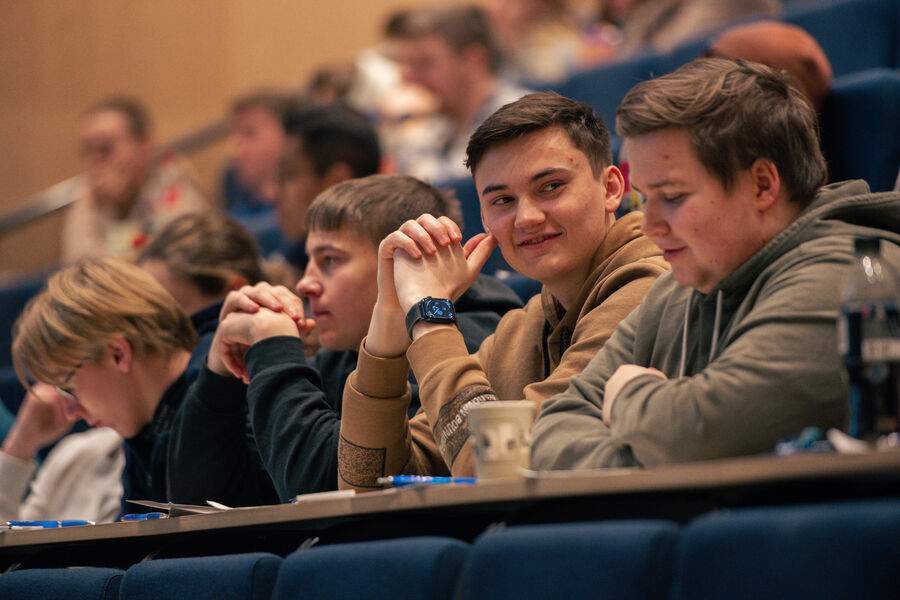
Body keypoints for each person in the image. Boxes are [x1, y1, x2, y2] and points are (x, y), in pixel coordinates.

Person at [529, 58, 900, 470]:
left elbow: (702, 433)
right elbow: (553, 433)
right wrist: (653, 455)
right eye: (644, 200)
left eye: (671, 197)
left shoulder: (850, 277)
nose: (649, 227)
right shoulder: (676, 290)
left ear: (762, 184)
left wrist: (629, 394)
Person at [337, 91, 668, 490]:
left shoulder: (653, 285)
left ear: (612, 187)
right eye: (503, 200)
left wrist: (429, 314)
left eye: (551, 186)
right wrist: (390, 324)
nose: (526, 217)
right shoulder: (518, 330)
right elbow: (361, 482)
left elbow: (495, 468)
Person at [168, 174, 523, 505]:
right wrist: (218, 377)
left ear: (405, 261)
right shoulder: (341, 352)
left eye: (329, 260)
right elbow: (201, 500)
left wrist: (274, 350)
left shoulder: (468, 337)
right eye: (308, 261)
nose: (305, 284)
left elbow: (328, 495)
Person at [12, 257, 204, 516]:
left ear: (118, 354)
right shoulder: (145, 434)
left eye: (69, 388)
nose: (73, 412)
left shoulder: (226, 402)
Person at [383, 4, 530, 184]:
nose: (407, 78)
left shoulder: (518, 119)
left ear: (473, 62)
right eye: (402, 64)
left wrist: (409, 124)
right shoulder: (439, 123)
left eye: (424, 63)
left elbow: (448, 193)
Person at [61, 97, 208, 262]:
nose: (94, 162)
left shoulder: (173, 178)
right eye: (87, 151)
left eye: (105, 148)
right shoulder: (90, 193)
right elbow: (77, 269)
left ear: (144, 143)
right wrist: (93, 204)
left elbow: (173, 262)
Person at [270, 103, 382, 273]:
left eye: (289, 175)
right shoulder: (289, 259)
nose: (274, 194)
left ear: (337, 184)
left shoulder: (382, 276)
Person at [221, 91, 298, 218]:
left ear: (285, 134)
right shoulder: (235, 201)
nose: (235, 151)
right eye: (234, 136)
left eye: (249, 133)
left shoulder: (303, 215)